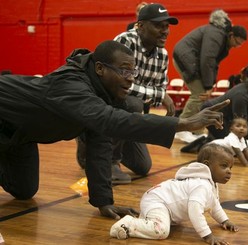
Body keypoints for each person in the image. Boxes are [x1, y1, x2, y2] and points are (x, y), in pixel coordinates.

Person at [0, 40, 229, 220]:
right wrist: (184, 123)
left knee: (24, 191)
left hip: (22, 135)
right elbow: (111, 121)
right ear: (100, 68)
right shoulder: (71, 84)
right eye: (124, 72)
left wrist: (103, 201)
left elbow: (100, 145)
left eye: (132, 73)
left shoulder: (103, 93)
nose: (130, 80)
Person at [77, 3, 179, 184]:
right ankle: (107, 160)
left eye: (166, 26)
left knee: (142, 167)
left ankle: (95, 146)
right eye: (158, 26)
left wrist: (159, 94)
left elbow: (160, 88)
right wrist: (158, 94)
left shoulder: (162, 54)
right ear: (140, 26)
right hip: (106, 104)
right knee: (132, 103)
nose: (165, 31)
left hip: (129, 113)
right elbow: (118, 85)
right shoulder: (125, 41)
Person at [110, 143, 238, 243]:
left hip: (160, 201)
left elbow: (214, 205)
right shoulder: (201, 185)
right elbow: (195, 211)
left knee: (165, 227)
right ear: (207, 165)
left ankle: (129, 229)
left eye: (230, 168)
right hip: (157, 201)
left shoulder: (209, 184)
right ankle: (129, 223)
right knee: (162, 231)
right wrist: (208, 235)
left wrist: (225, 221)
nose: (229, 171)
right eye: (224, 166)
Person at [173, 9, 247, 143]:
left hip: (192, 59)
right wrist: (207, 86)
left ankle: (195, 130)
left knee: (202, 94)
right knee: (199, 94)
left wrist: (211, 84)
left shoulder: (221, 37)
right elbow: (207, 59)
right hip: (185, 57)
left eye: (240, 45)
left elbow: (213, 64)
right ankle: (182, 128)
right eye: (237, 42)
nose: (237, 46)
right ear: (231, 35)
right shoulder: (216, 34)